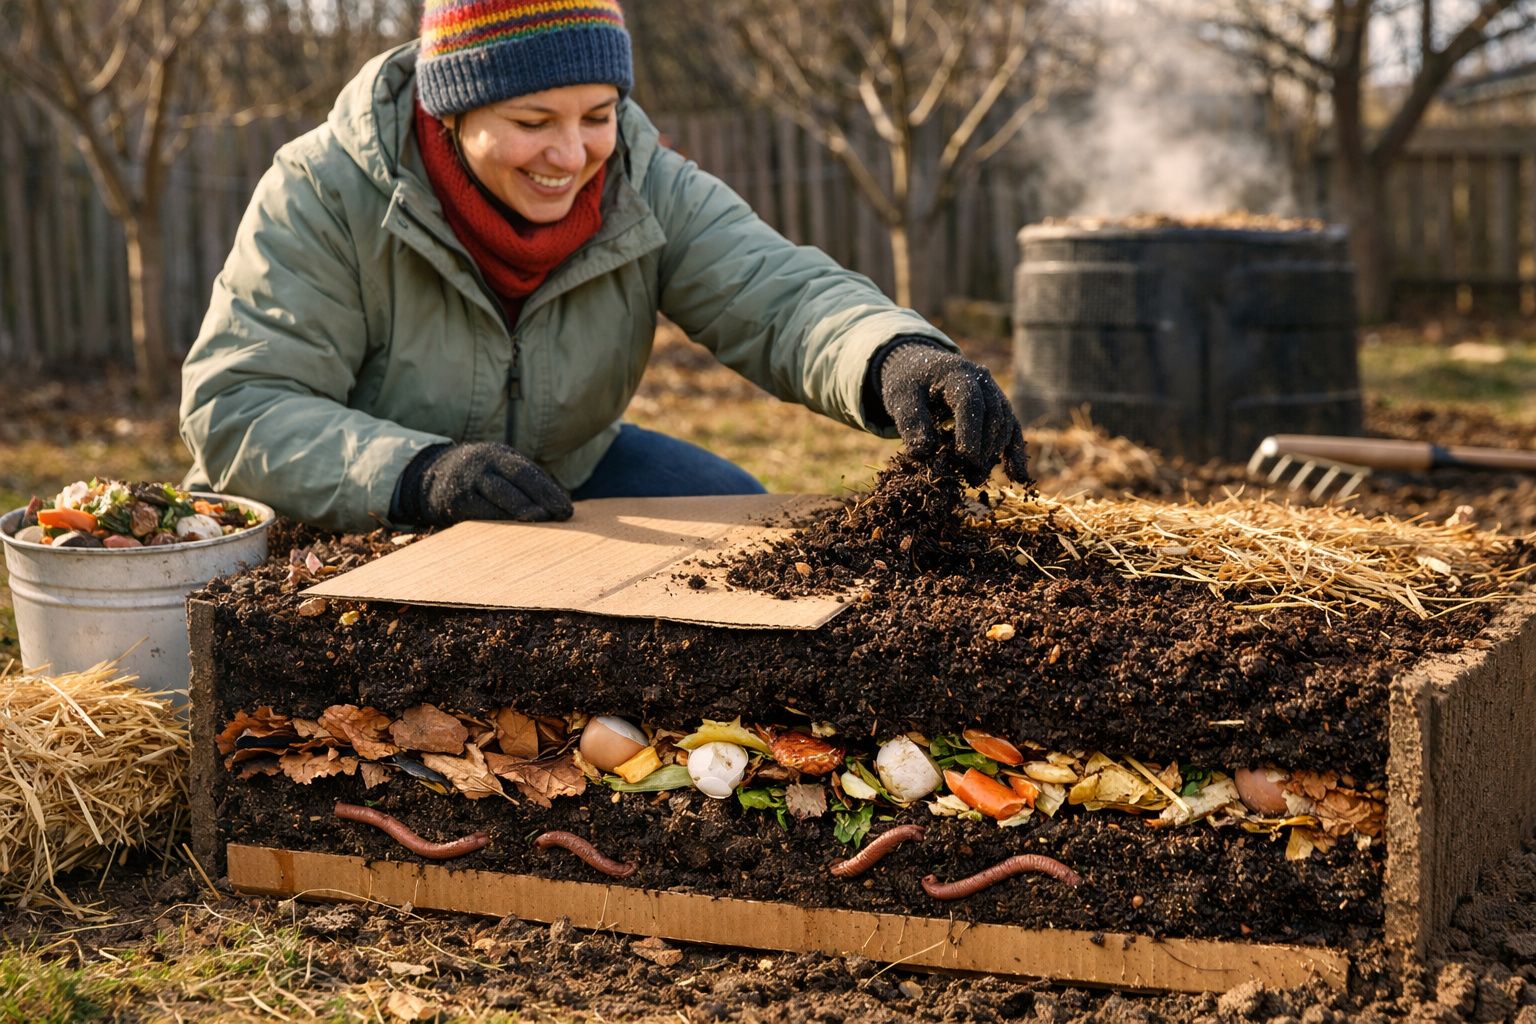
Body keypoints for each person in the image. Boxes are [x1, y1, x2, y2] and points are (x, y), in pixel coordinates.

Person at [179, 0, 1028, 532]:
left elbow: (779, 294)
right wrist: (418, 473)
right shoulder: (328, 189)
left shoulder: (639, 179)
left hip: (559, 473)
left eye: (596, 114)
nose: (570, 153)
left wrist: (894, 357)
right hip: (365, 496)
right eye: (532, 119)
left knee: (745, 519)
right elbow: (239, 406)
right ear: (450, 107)